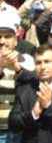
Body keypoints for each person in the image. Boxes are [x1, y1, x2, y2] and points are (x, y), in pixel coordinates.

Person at [0, 13, 35, 143]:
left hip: (18, 130)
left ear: (16, 40)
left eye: (7, 37)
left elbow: (35, 87)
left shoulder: (28, 60)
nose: (2, 41)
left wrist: (17, 67)